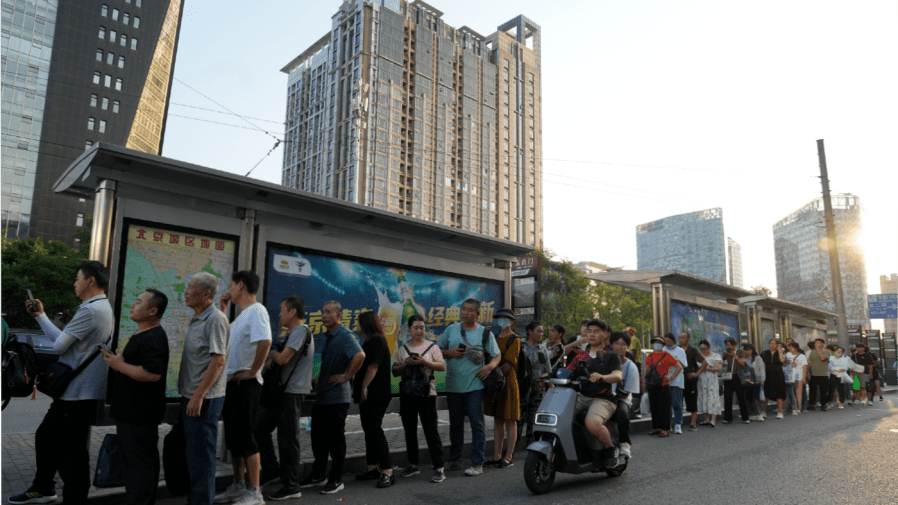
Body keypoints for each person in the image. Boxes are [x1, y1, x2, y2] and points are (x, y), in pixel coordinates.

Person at [14, 261, 115, 505]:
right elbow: (66, 342)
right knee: (47, 438)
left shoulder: (91, 310)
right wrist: (41, 316)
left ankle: (70, 497)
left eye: (78, 278)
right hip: (74, 392)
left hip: (76, 394)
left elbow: (59, 346)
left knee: (72, 455)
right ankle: (43, 487)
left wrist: (41, 318)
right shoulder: (100, 307)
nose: (74, 283)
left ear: (90, 281)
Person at [102, 289, 170, 505]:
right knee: (135, 465)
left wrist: (119, 365)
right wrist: (122, 361)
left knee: (139, 467)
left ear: (152, 311)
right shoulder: (144, 333)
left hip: (139, 415)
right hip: (130, 414)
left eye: (139, 302)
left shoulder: (154, 337)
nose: (132, 305)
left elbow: (152, 373)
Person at [214, 271, 273, 505]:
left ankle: (255, 492)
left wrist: (252, 371)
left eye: (231, 285)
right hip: (232, 384)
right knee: (235, 439)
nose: (229, 289)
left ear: (240, 285)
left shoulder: (257, 310)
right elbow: (222, 336)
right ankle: (238, 485)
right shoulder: (241, 317)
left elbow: (266, 341)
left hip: (247, 384)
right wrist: (223, 308)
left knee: (246, 438)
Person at [300, 301, 365, 494]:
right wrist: (318, 378)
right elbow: (333, 362)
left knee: (335, 440)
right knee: (318, 438)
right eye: (322, 312)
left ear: (339, 315)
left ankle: (336, 479)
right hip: (323, 396)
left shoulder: (344, 334)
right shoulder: (329, 336)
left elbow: (359, 355)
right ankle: (318, 474)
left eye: (328, 312)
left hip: (337, 397)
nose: (323, 315)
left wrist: (346, 376)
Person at [177, 272, 230, 505]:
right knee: (193, 454)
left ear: (205, 294)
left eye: (190, 287)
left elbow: (218, 360)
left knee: (202, 457)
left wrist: (199, 396)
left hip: (203, 400)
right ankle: (197, 498)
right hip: (192, 395)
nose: (185, 291)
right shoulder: (201, 316)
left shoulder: (214, 319)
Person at [255, 296, 314, 501]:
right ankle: (272, 469)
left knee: (288, 439)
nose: (279, 314)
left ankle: (291, 485)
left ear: (292, 312)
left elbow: (283, 358)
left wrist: (272, 354)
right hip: (283, 393)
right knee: (260, 428)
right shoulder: (295, 333)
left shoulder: (299, 331)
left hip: (291, 392)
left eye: (282, 310)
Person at [438, 298, 500, 476]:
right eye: (463, 309)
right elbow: (437, 350)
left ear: (478, 313)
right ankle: (455, 459)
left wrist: (489, 367)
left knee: (477, 424)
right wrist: (449, 353)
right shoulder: (451, 330)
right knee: (455, 425)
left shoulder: (484, 333)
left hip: (475, 386)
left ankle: (477, 462)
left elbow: (497, 356)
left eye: (470, 310)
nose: (465, 313)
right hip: (453, 386)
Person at [392, 314, 446, 483]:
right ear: (408, 329)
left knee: (431, 431)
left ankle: (439, 468)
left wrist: (425, 362)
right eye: (415, 327)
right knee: (409, 431)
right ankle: (413, 465)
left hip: (427, 395)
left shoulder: (432, 347)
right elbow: (395, 371)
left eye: (422, 327)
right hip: (408, 395)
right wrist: (406, 363)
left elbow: (442, 366)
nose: (419, 331)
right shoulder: (403, 349)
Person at [566, 319, 623, 468]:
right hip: (581, 396)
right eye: (589, 331)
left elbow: (617, 376)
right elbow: (567, 372)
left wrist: (603, 377)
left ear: (605, 334)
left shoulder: (611, 356)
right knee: (559, 416)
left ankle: (611, 448)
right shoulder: (581, 356)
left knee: (591, 422)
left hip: (603, 399)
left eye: (596, 331)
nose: (591, 334)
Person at [353, 311, 395, 488]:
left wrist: (364, 386)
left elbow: (374, 365)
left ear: (366, 323)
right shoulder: (368, 341)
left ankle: (388, 471)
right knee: (369, 430)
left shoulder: (376, 340)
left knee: (374, 430)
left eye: (359, 322)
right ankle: (372, 468)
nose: (356, 324)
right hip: (370, 395)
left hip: (376, 394)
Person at [483, 308, 521, 469]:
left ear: (512, 321)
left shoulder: (515, 339)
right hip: (495, 383)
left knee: (510, 420)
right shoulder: (493, 337)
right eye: (500, 318)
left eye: (506, 318)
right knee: (498, 419)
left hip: (508, 383)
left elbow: (509, 364)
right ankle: (497, 455)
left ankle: (508, 456)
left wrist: (491, 374)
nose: (502, 321)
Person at [520, 320, 553, 442]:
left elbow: (547, 370)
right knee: (518, 418)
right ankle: (512, 448)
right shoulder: (520, 346)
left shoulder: (542, 349)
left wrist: (548, 386)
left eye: (542, 331)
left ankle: (532, 445)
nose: (541, 334)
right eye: (538, 331)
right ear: (530, 331)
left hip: (537, 388)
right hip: (521, 387)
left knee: (534, 418)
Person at [643, 336, 681, 437]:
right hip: (652, 385)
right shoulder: (650, 356)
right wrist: (645, 384)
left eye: (659, 342)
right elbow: (647, 369)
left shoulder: (667, 355)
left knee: (664, 407)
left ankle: (665, 429)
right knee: (654, 406)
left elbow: (679, 366)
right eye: (655, 342)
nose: (657, 344)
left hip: (663, 385)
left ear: (663, 345)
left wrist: (672, 377)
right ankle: (656, 427)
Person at [609, 331, 638, 458]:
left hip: (620, 399)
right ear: (611, 345)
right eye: (617, 344)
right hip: (602, 396)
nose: (620, 347)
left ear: (628, 347)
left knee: (622, 414)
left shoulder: (631, 367)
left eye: (623, 344)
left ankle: (624, 443)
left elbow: (626, 394)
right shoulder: (604, 361)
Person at [661, 333, 687, 434]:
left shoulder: (680, 351)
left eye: (669, 341)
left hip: (676, 381)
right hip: (665, 381)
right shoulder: (663, 350)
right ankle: (667, 424)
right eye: (665, 341)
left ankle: (677, 424)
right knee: (666, 405)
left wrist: (672, 360)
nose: (667, 343)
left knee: (676, 404)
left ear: (673, 341)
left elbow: (683, 364)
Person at [678, 331, 704, 431]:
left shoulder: (693, 350)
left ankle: (693, 423)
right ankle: (678, 423)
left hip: (690, 379)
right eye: (680, 337)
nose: (681, 339)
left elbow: (704, 362)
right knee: (678, 402)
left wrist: (696, 374)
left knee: (692, 401)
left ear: (688, 339)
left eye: (683, 337)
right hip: (678, 379)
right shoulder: (677, 349)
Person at [721, 337, 751, 424]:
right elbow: (720, 362)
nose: (729, 346)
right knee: (727, 397)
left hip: (739, 375)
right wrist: (723, 355)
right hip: (728, 376)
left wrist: (734, 355)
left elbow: (743, 363)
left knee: (741, 397)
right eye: (727, 345)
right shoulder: (726, 352)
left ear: (734, 344)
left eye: (730, 344)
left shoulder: (740, 351)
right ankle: (727, 418)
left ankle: (745, 417)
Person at [695, 340, 722, 427]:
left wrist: (706, 369)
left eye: (705, 349)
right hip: (702, 380)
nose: (703, 351)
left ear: (709, 347)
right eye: (701, 349)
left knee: (713, 397)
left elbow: (719, 368)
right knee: (703, 397)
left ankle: (713, 420)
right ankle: (706, 419)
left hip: (711, 380)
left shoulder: (715, 356)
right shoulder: (698, 357)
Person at [761, 338, 787, 419]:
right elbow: (762, 365)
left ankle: (780, 412)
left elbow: (782, 360)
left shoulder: (781, 352)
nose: (772, 345)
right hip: (767, 375)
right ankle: (763, 412)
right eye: (771, 343)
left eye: (774, 343)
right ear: (768, 344)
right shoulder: (764, 353)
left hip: (778, 375)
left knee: (779, 394)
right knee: (766, 395)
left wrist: (779, 350)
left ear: (777, 344)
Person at [743, 344, 766, 421]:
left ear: (752, 350)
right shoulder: (744, 359)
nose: (747, 351)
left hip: (756, 380)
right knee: (748, 397)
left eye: (749, 350)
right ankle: (752, 414)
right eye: (746, 350)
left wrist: (762, 379)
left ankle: (759, 414)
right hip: (747, 380)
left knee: (756, 398)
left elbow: (762, 369)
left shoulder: (757, 358)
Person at [806, 338, 831, 411]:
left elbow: (822, 358)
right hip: (813, 374)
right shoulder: (812, 352)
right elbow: (810, 363)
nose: (816, 344)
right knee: (812, 390)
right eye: (815, 343)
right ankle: (811, 404)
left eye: (818, 343)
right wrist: (808, 373)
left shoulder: (827, 352)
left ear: (822, 343)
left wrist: (818, 350)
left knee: (823, 391)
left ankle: (823, 405)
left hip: (823, 374)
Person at [786, 342, 807, 415]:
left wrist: (804, 377)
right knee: (789, 392)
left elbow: (804, 367)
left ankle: (799, 407)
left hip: (798, 375)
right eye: (789, 347)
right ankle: (790, 407)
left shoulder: (802, 356)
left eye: (792, 347)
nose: (790, 349)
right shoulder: (787, 355)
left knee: (798, 392)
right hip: (789, 376)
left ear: (796, 348)